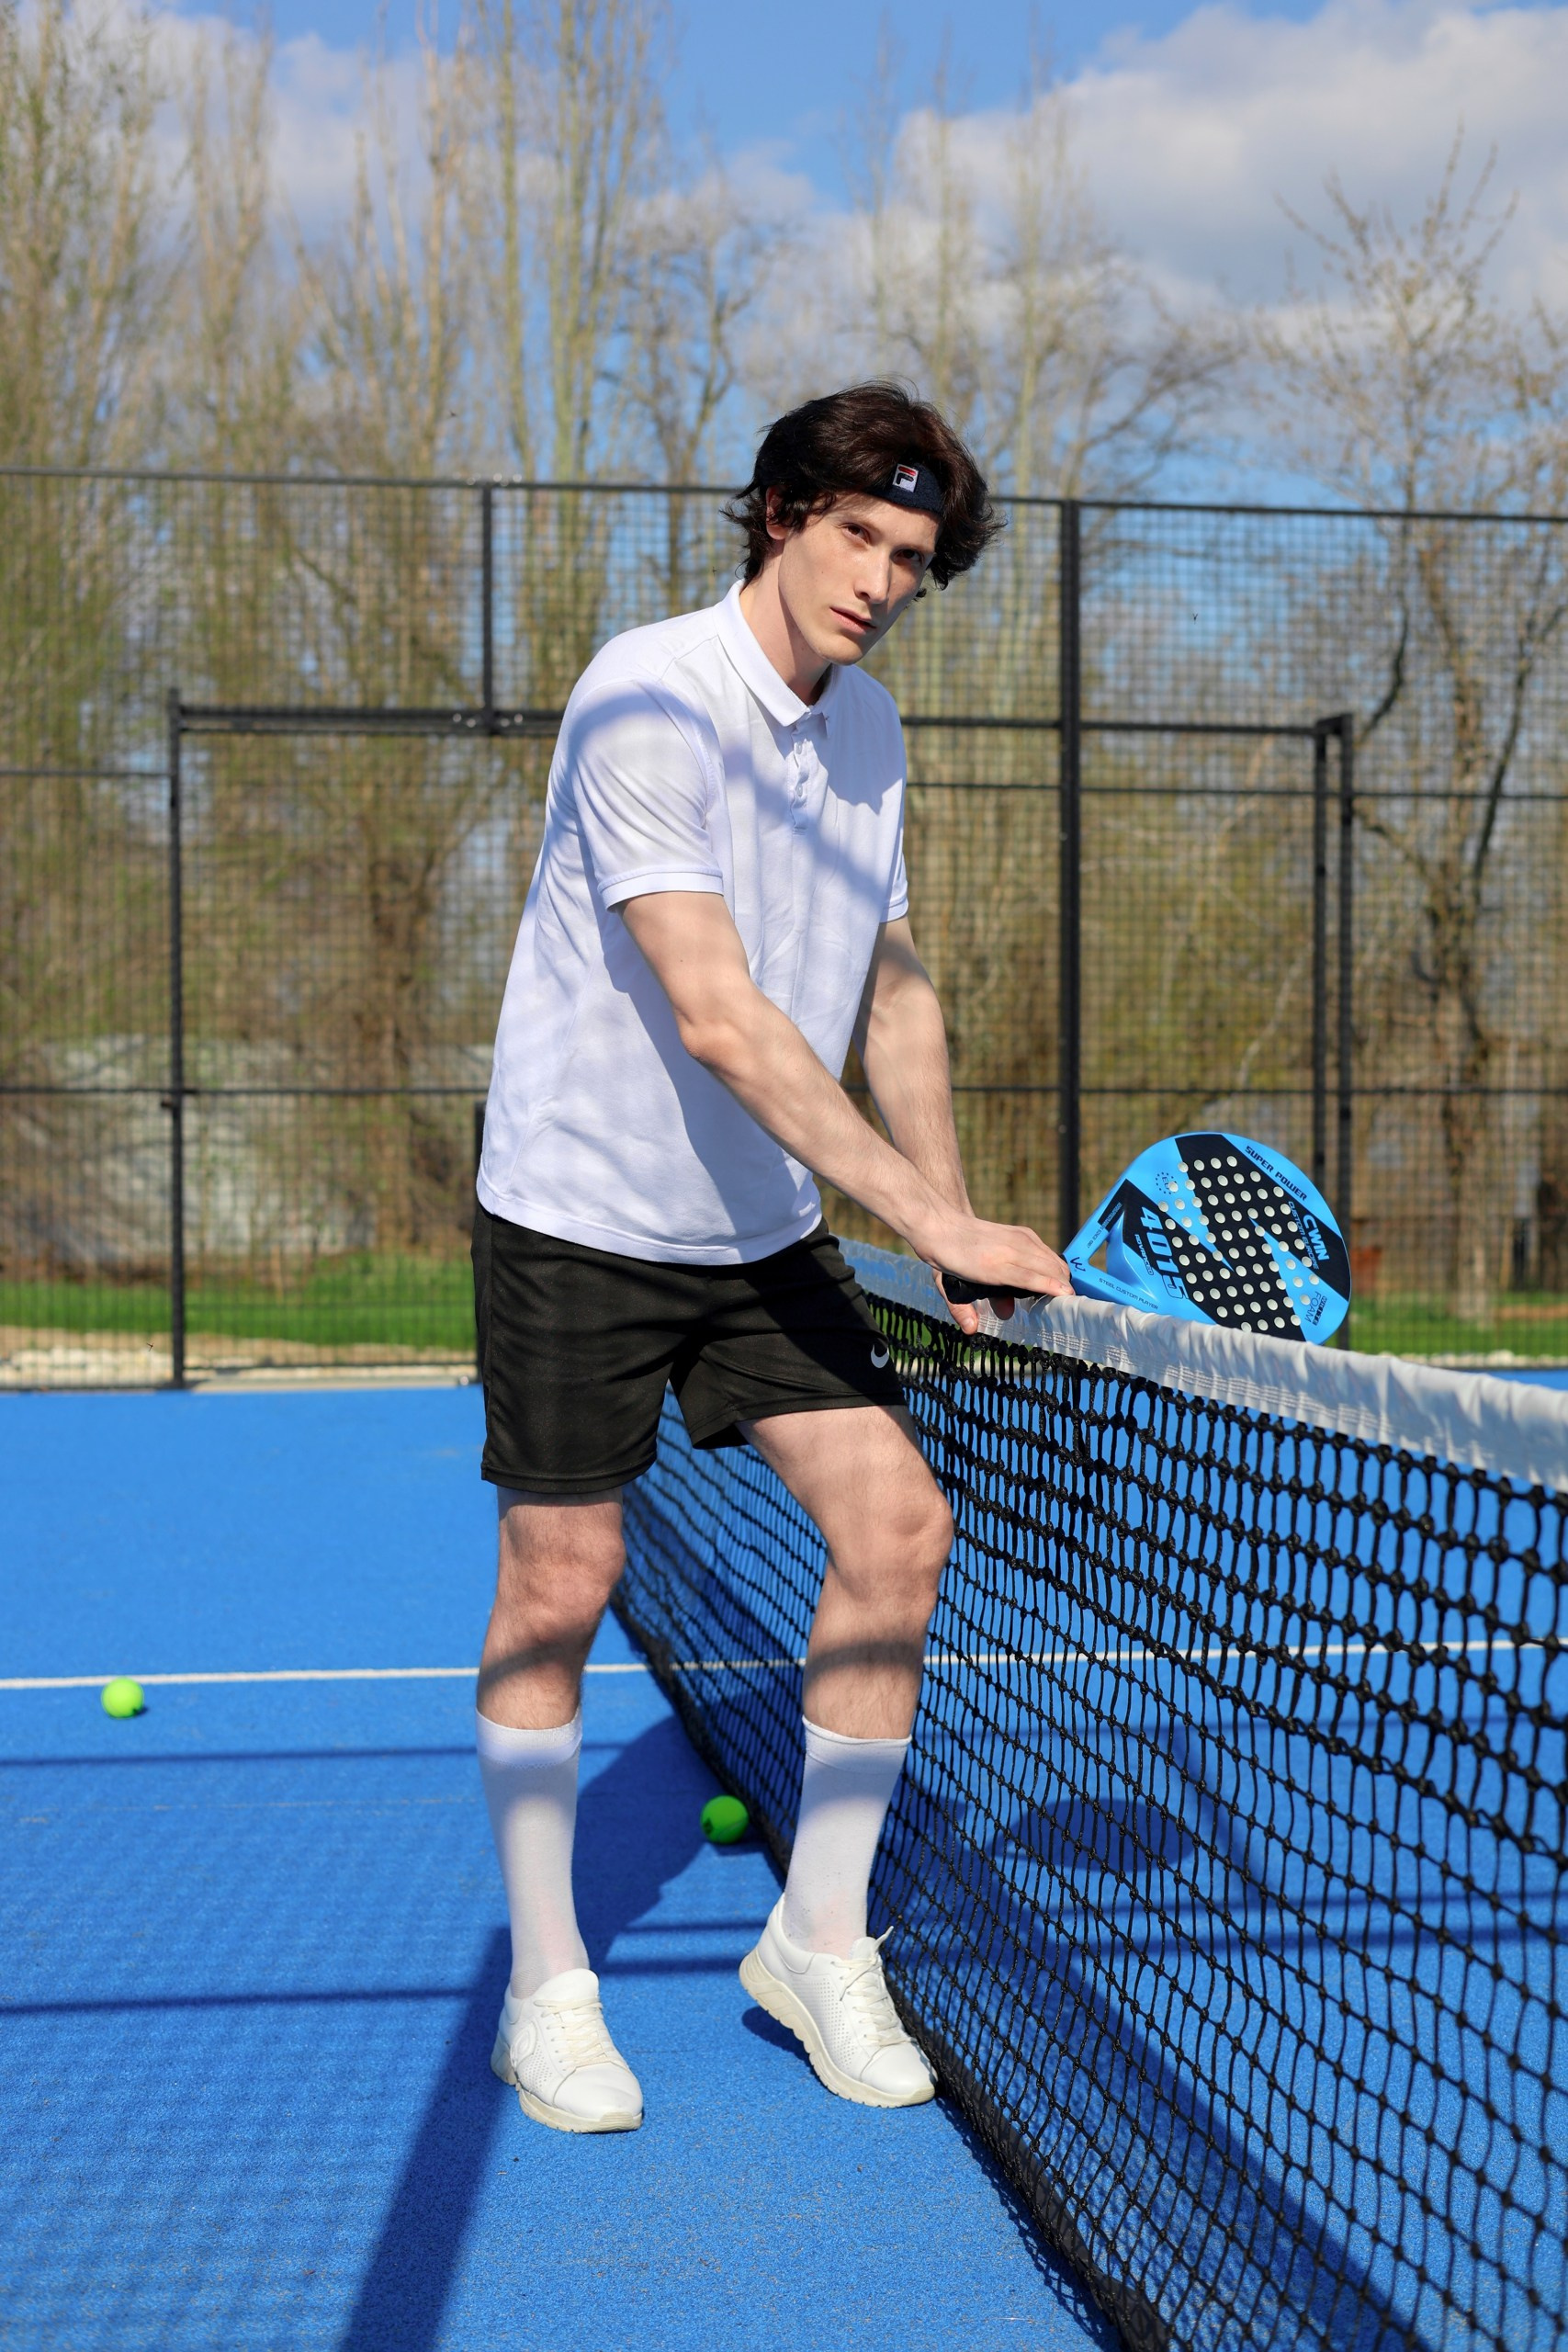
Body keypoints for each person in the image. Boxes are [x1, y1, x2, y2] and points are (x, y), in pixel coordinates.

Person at [471, 381, 1070, 2135]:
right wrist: (922, 1219)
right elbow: (720, 1013)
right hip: (579, 1215)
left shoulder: (868, 732)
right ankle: (547, 1987)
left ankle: (815, 1939)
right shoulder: (646, 695)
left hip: (762, 1234)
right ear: (783, 514)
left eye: (914, 558)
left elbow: (893, 991)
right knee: (563, 1579)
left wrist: (948, 1217)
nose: (881, 579)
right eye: (858, 535)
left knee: (900, 1530)